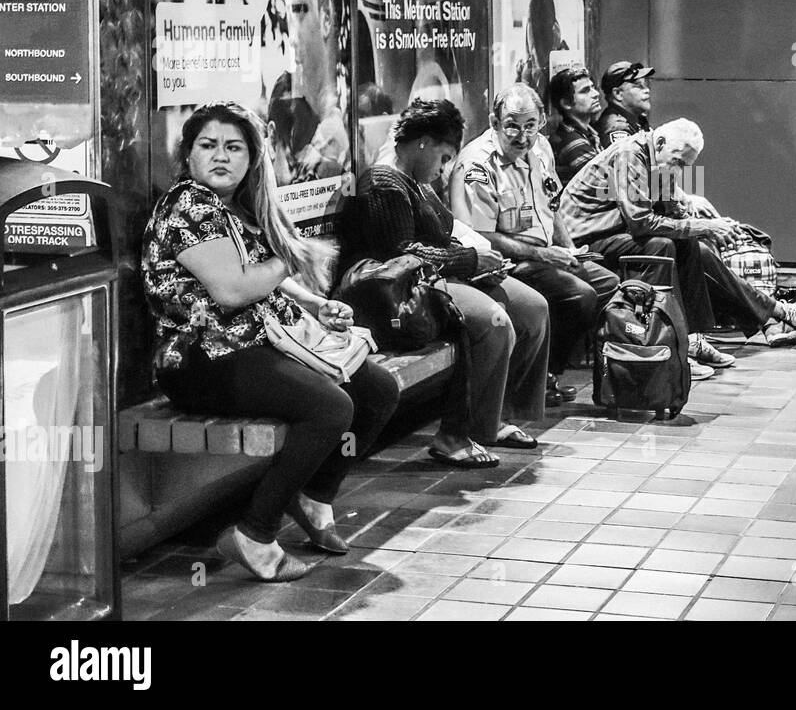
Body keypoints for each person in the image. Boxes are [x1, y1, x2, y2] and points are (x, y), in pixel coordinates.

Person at [142, 101, 400, 582]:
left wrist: (314, 304)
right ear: (188, 154)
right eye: (208, 145)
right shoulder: (189, 205)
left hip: (255, 342)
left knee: (377, 390)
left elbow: (264, 275)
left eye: (234, 147)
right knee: (330, 408)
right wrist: (293, 255)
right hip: (201, 359)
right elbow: (234, 288)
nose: (221, 156)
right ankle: (254, 535)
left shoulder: (233, 205)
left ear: (252, 157)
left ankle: (314, 496)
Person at [337, 98, 550, 458]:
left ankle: (498, 415)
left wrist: (481, 260)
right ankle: (458, 434)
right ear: (423, 144)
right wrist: (470, 260)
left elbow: (443, 233)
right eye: (445, 157)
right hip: (401, 291)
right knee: (495, 322)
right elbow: (403, 255)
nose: (444, 168)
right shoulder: (383, 183)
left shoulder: (418, 180)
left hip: (437, 275)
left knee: (533, 308)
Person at [559, 120, 796, 370]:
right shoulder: (632, 153)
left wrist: (708, 225)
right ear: (660, 143)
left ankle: (703, 335)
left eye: (685, 166)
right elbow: (641, 222)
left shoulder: (658, 159)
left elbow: (670, 210)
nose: (679, 170)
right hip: (585, 242)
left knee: (694, 247)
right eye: (677, 162)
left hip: (617, 232)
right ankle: (692, 339)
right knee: (662, 246)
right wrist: (702, 227)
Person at [449, 84, 619, 405]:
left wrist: (568, 250)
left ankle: (555, 371)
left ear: (541, 121)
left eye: (531, 125)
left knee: (608, 283)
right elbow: (481, 238)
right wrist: (544, 254)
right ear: (494, 122)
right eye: (512, 124)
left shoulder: (541, 147)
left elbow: (550, 206)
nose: (522, 136)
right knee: (579, 295)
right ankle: (534, 380)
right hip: (502, 264)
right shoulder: (478, 165)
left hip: (544, 254)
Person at [268, 0, 349, 183]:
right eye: (289, 16)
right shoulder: (293, 101)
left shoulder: (335, 135)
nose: (292, 39)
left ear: (326, 17)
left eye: (299, 11)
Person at [548, 64, 603, 185]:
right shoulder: (572, 142)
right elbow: (604, 189)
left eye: (593, 88)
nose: (596, 94)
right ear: (566, 103)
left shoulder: (586, 133)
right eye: (585, 91)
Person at [596, 60, 653, 148]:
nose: (647, 90)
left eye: (645, 84)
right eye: (638, 85)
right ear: (618, 93)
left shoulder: (637, 118)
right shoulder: (617, 127)